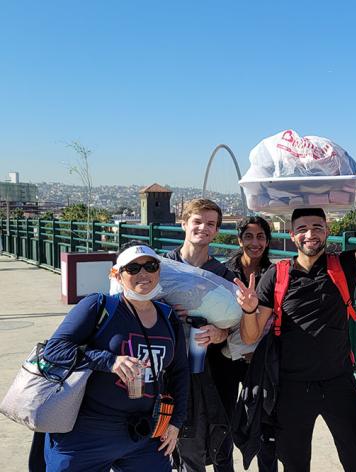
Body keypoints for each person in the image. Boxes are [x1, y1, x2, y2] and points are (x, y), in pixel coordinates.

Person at [238, 172, 356, 471]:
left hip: (339, 382)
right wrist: (249, 310)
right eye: (302, 229)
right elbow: (249, 337)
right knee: (296, 463)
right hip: (291, 387)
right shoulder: (276, 275)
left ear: (328, 231)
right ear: (291, 235)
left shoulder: (345, 265)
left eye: (317, 228)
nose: (310, 234)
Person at [42, 243, 189, 472]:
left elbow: (180, 372)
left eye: (150, 266)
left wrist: (176, 421)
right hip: (88, 432)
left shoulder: (168, 317)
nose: (143, 273)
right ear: (118, 275)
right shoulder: (99, 306)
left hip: (145, 432)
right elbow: (54, 350)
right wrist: (109, 361)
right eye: (133, 268)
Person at [163, 198, 240, 472]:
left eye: (210, 224)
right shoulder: (160, 267)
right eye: (197, 222)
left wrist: (220, 333)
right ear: (183, 224)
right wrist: (167, 312)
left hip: (210, 372)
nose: (203, 228)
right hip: (168, 370)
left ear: (217, 231)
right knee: (175, 446)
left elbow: (238, 325)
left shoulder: (223, 275)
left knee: (218, 442)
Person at [222, 215, 277, 472]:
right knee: (224, 421)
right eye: (248, 236)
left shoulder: (275, 274)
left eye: (261, 237)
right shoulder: (224, 273)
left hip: (262, 361)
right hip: (227, 359)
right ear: (239, 239)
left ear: (267, 241)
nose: (255, 243)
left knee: (266, 423)